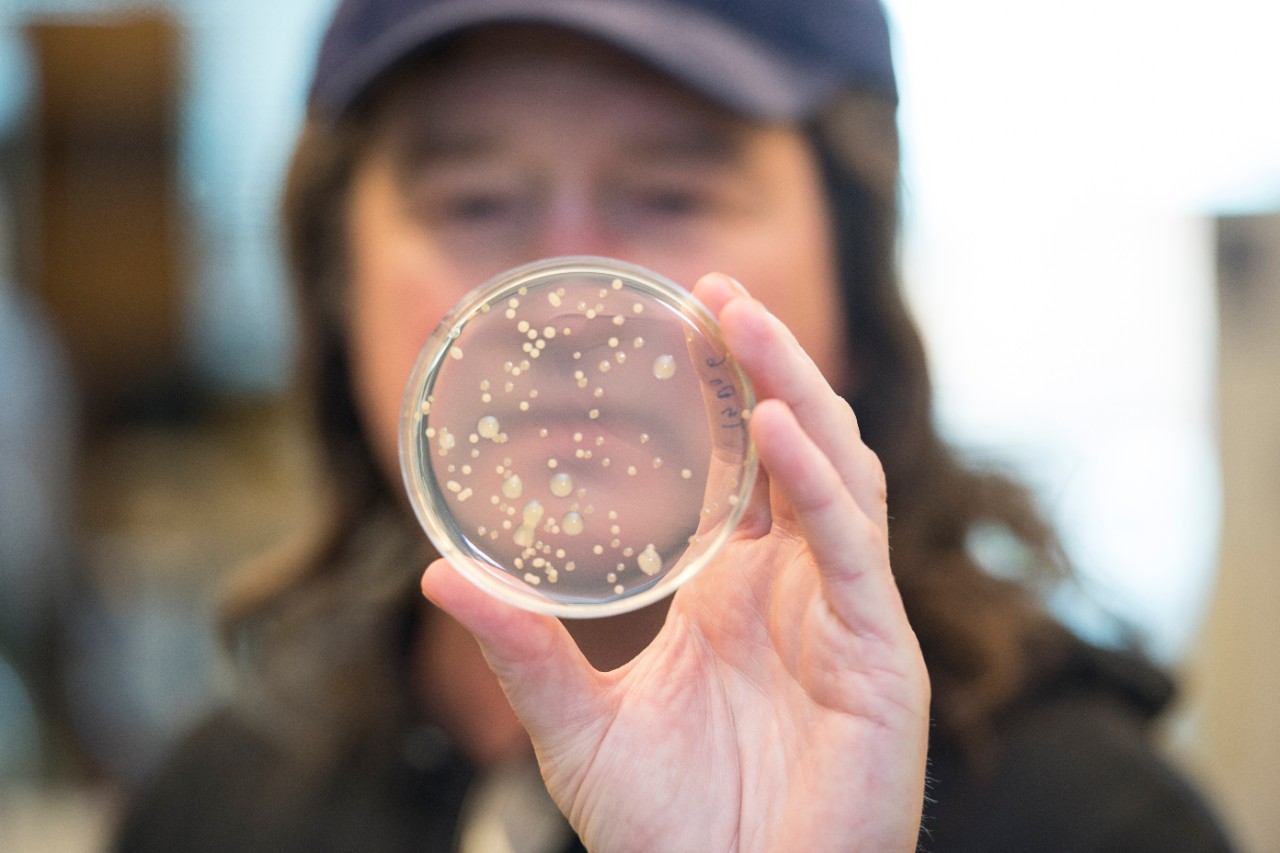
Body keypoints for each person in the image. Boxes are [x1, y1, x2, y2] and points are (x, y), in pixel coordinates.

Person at [113, 1, 1235, 851]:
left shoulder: (1091, 816)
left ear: (853, 267)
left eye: (668, 193)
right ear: (331, 278)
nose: (565, 294)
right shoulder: (213, 807)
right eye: (473, 201)